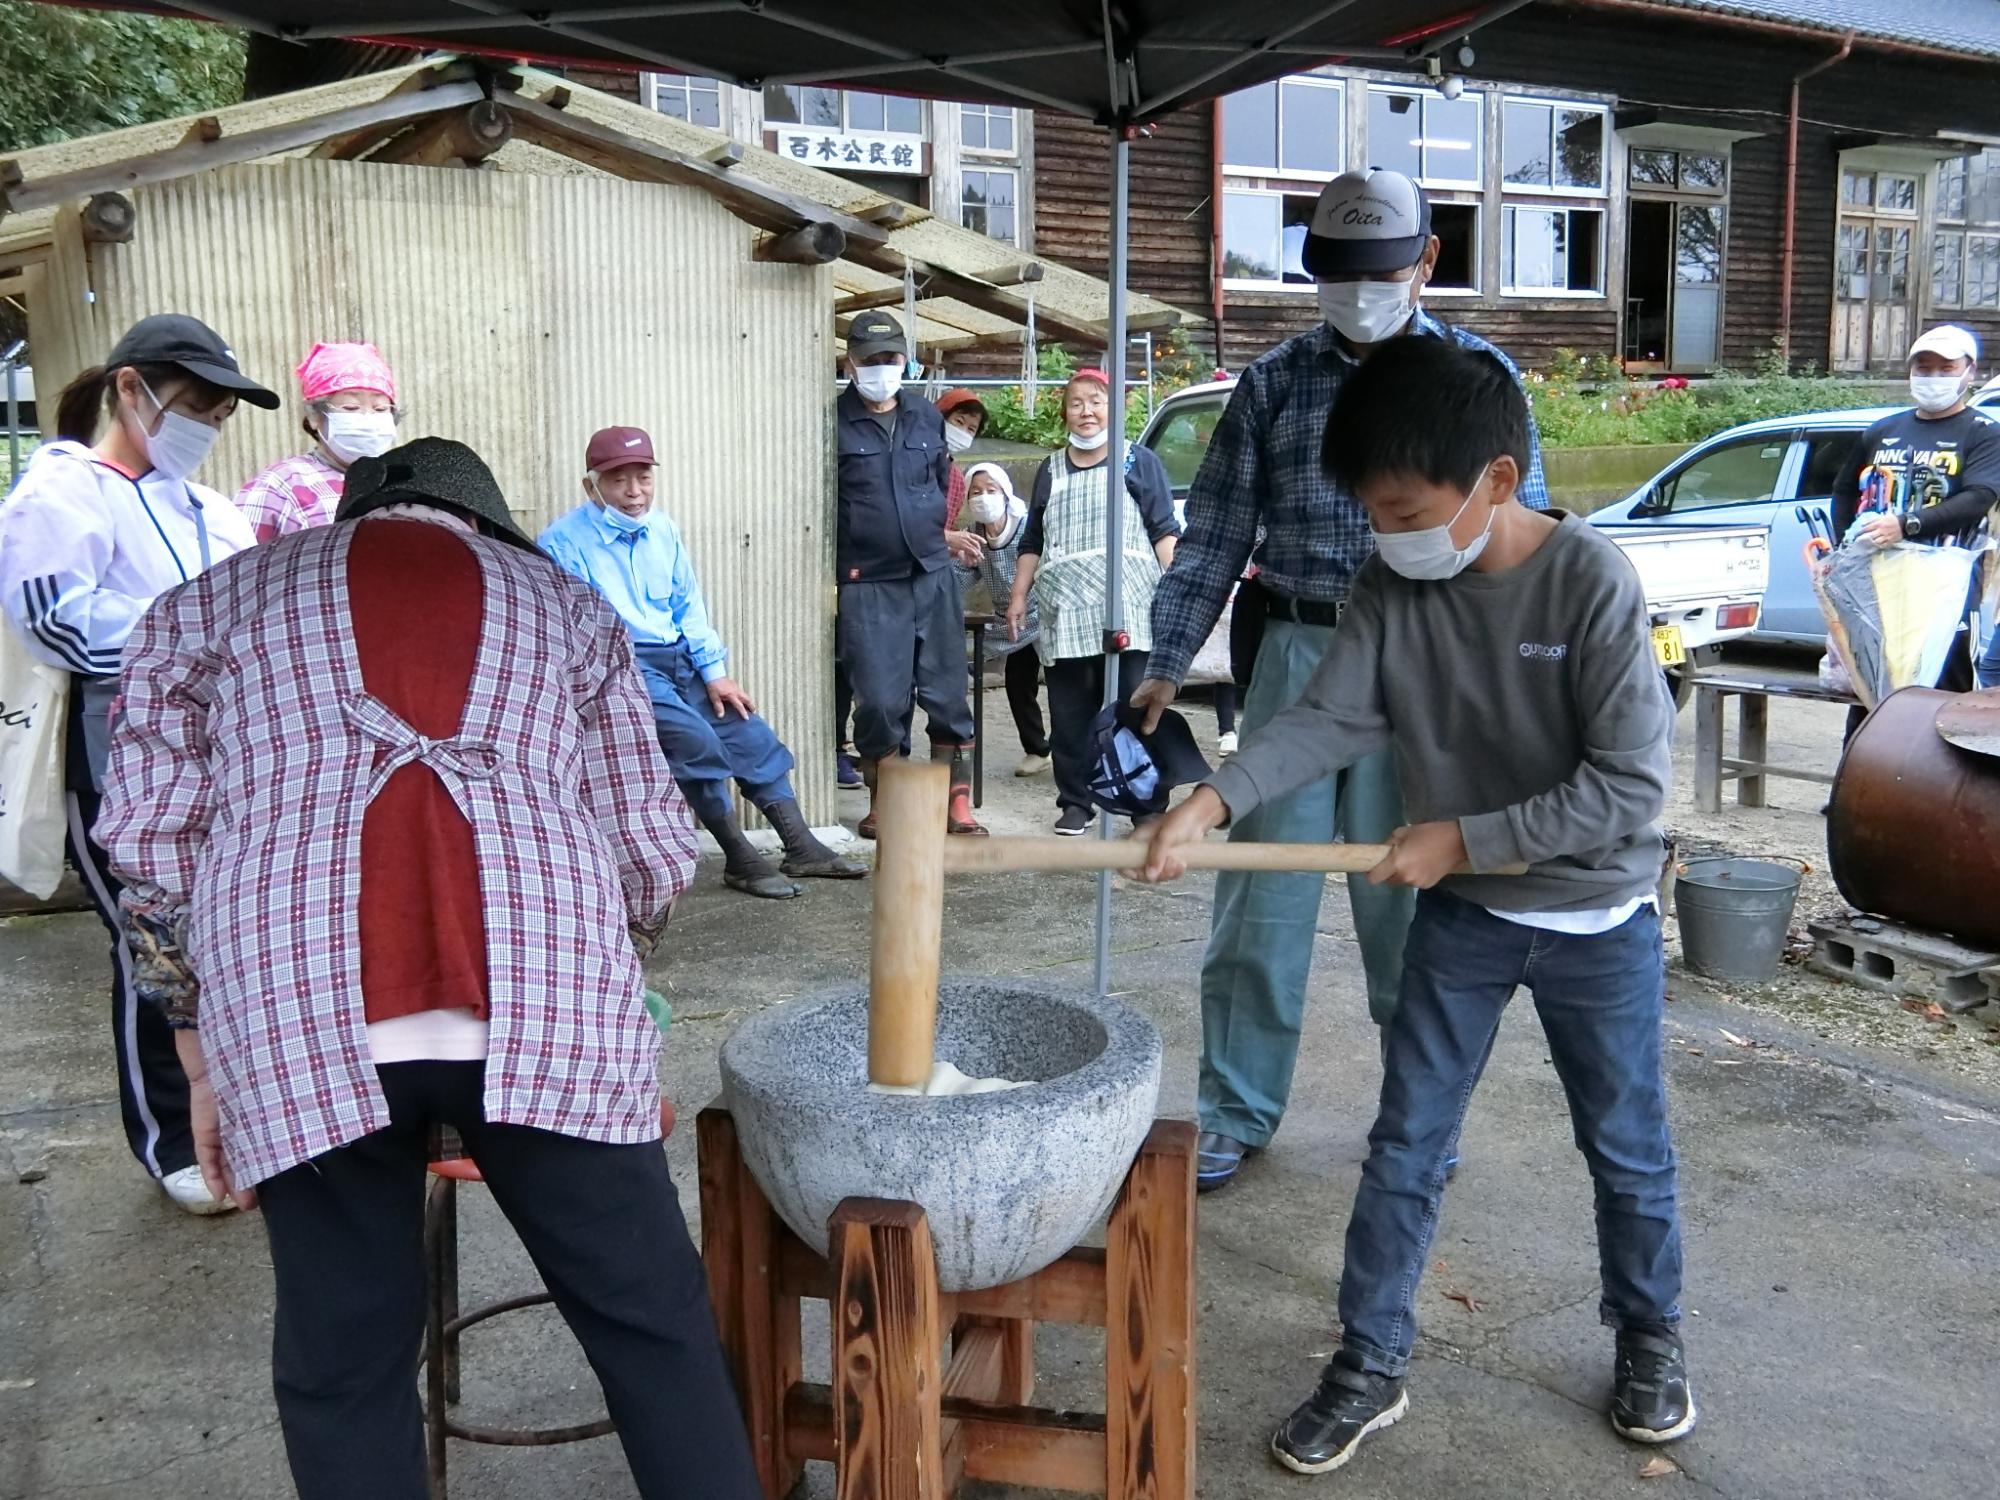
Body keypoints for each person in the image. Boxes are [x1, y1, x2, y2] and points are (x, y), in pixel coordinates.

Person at [98, 437, 762, 1500]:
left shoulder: (211, 604)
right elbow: (648, 842)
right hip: (541, 990)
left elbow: (153, 836)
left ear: (346, 522)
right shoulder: (565, 605)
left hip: (296, 999)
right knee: (652, 1326)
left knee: (343, 1363)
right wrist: (613, 979)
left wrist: (195, 1034)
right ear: (492, 530)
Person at [1136, 337, 1689, 1474]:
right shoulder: (1396, 579)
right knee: (1405, 1144)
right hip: (1467, 920)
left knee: (1625, 1148)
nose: (1385, 534)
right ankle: (1369, 1358)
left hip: (1594, 918)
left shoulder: (1588, 579)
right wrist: (1217, 796)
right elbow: (1338, 713)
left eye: (1403, 508)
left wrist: (1464, 838)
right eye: (1371, 514)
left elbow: (1630, 787)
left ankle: (1647, 1335)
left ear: (1494, 478)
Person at [1129, 168, 1550, 1192]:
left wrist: (1520, 684)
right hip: (1304, 654)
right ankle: (1233, 1111)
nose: (1355, 289)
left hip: (1438, 659)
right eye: (1335, 272)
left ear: (1424, 263)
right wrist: (1164, 661)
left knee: (1417, 905)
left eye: (1377, 270)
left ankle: (1420, 1119)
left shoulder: (1475, 379)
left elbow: (1520, 540)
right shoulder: (1273, 382)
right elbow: (1220, 528)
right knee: (1256, 902)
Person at [0, 313, 275, 1216]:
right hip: (112, 757)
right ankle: (169, 1144)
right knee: (149, 944)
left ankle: (247, 1119)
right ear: (131, 388)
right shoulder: (62, 492)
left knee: (232, 939)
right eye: (195, 404)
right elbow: (54, 619)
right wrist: (198, 637)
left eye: (220, 415)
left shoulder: (210, 509)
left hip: (223, 758)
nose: (206, 427)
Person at [541, 426, 865, 898]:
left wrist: (715, 673)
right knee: (694, 743)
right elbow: (581, 631)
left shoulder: (664, 528)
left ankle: (801, 847)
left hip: (680, 658)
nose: (634, 492)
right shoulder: (562, 543)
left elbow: (686, 604)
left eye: (644, 477)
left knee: (746, 730)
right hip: (623, 664)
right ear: (592, 486)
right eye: (618, 481)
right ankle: (739, 858)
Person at [1007, 369, 1178, 834]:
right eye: (1077, 402)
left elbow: (1164, 530)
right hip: (1066, 612)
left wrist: (1177, 594)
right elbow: (1033, 539)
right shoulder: (1050, 468)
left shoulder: (1136, 461)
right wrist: (1019, 595)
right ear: (1065, 411)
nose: (1087, 411)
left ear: (1114, 408)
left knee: (1136, 709)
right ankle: (1075, 803)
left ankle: (1147, 806)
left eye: (1097, 401)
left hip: (1129, 610)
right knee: (1070, 716)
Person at [836, 310, 985, 837]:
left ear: (905, 361)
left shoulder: (924, 417)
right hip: (868, 579)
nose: (882, 368)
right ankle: (887, 797)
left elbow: (940, 483)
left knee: (947, 691)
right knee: (878, 699)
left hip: (930, 572)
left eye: (891, 359)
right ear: (851, 362)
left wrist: (938, 541)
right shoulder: (833, 421)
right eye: (871, 360)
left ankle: (955, 800)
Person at [1830, 323, 2000, 705]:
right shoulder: (1883, 430)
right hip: (1877, 582)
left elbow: (1980, 496)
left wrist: (1906, 525)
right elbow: (1844, 489)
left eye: (1946, 368)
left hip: (1947, 583)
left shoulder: (1984, 433)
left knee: (1944, 687)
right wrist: (1844, 550)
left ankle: (1943, 765)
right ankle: (1866, 762)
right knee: (1873, 686)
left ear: (1970, 373)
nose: (1933, 377)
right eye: (1924, 368)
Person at [235, 341, 401, 542]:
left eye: (380, 408)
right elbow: (237, 565)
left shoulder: (404, 481)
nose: (367, 418)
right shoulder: (279, 487)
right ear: (314, 416)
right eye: (351, 407)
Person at [956, 461, 1051, 775]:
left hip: (1043, 614)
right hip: (1010, 623)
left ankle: (1072, 750)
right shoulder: (974, 535)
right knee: (1018, 684)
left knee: (1064, 684)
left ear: (1006, 493)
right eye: (976, 492)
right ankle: (1037, 749)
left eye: (991, 490)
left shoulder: (1027, 527)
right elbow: (959, 582)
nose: (983, 497)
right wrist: (962, 561)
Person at [936, 387, 989, 527]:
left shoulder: (957, 480)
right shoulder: (908, 460)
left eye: (971, 429)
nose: (962, 431)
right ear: (940, 416)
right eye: (959, 421)